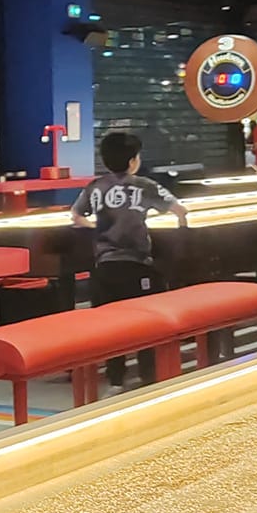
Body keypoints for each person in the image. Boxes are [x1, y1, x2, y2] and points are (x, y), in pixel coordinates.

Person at [72, 130, 189, 387]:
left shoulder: (95, 186)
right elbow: (180, 210)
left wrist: (96, 227)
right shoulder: (145, 185)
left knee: (111, 325)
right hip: (138, 266)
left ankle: (115, 380)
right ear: (134, 160)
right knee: (145, 322)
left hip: (104, 267)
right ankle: (149, 377)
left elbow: (77, 216)